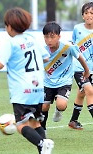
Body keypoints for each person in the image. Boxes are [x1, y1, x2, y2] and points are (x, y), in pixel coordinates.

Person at [0, 7, 54, 154]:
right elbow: (46, 57)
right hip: (38, 89)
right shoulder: (32, 39)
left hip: (22, 91)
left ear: (10, 26)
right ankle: (43, 149)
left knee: (20, 126)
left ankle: (42, 143)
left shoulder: (11, 43)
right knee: (35, 122)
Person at [40, 22, 90, 132]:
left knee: (61, 105)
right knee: (44, 107)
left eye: (52, 37)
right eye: (46, 37)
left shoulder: (68, 47)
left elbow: (80, 57)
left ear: (59, 36)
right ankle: (42, 129)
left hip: (64, 81)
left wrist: (86, 70)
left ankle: (59, 111)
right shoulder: (42, 51)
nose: (49, 40)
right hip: (47, 82)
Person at [68, 2, 93, 130]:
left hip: (92, 68)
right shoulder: (77, 28)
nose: (89, 15)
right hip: (79, 69)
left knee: (81, 93)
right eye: (86, 13)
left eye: (92, 13)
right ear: (82, 15)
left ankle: (73, 120)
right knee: (90, 91)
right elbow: (73, 46)